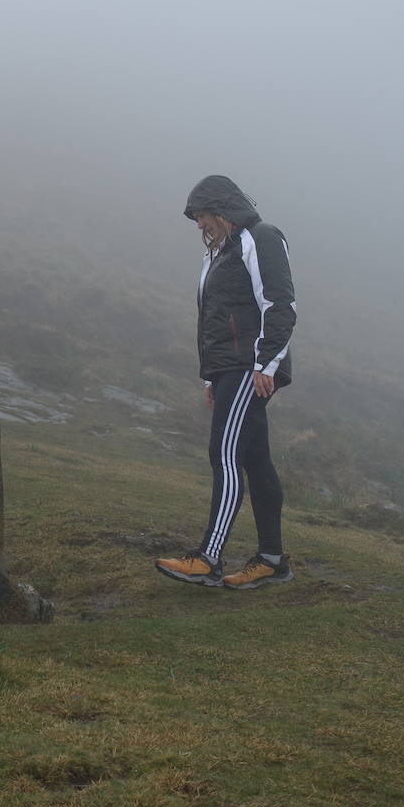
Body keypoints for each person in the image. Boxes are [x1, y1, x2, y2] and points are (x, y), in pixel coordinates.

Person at [155, 175, 297, 589]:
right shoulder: (220, 254)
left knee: (224, 454)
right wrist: (209, 377)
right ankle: (272, 561)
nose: (199, 225)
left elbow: (280, 303)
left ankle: (208, 558)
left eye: (201, 215)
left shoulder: (260, 237)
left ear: (222, 209)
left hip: (248, 366)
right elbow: (212, 320)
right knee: (254, 460)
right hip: (230, 369)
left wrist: (266, 364)